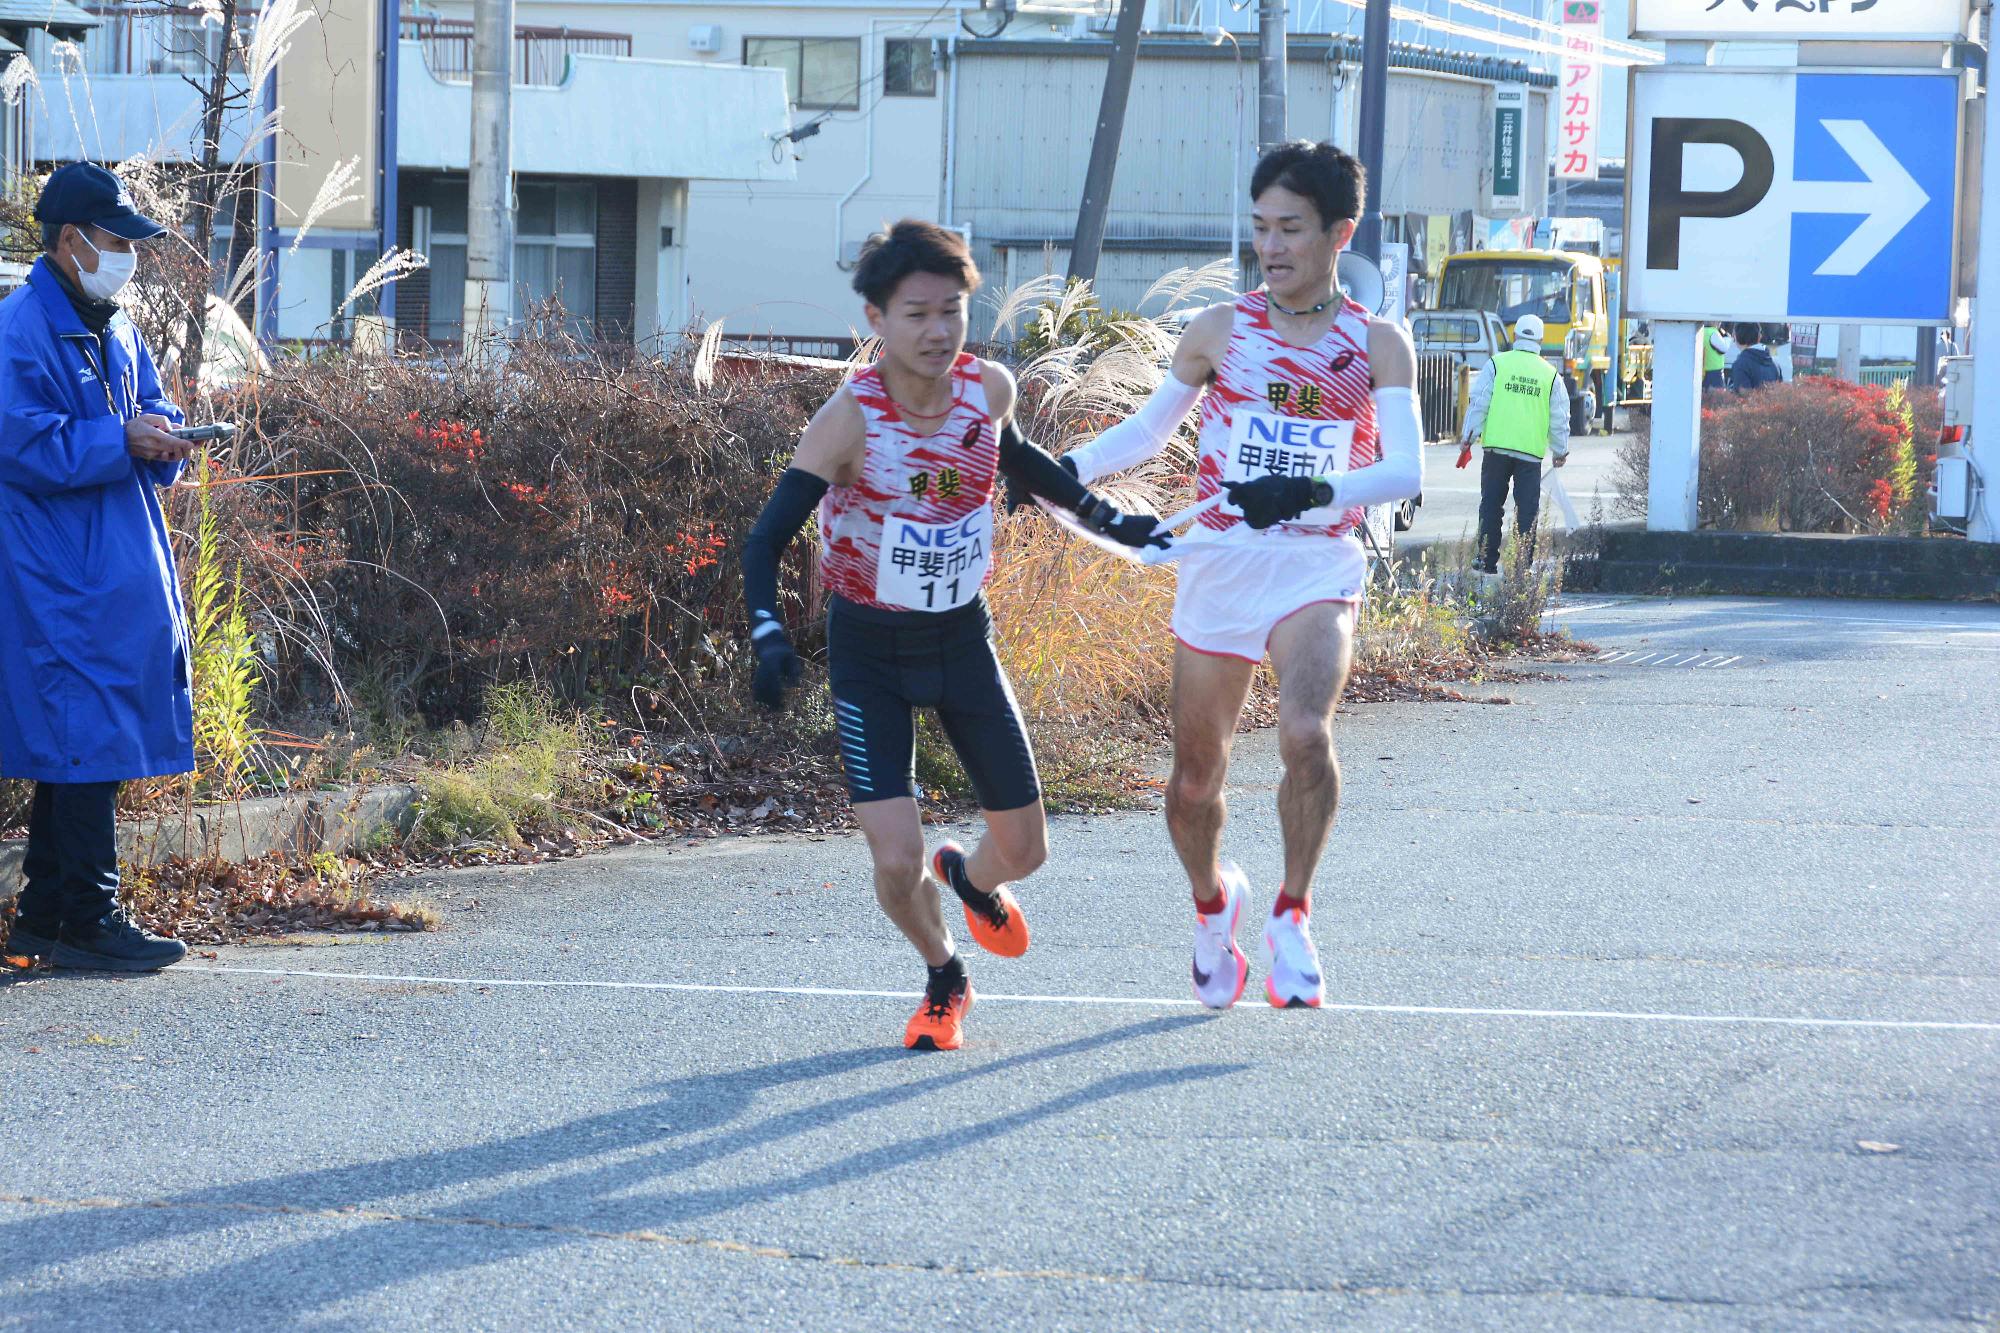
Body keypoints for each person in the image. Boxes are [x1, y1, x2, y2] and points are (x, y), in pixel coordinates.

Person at [740, 220, 1165, 1050]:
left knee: (1027, 849)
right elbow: (765, 539)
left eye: (953, 310)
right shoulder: (848, 421)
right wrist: (767, 633)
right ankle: (943, 971)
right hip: (870, 653)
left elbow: (1021, 461)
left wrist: (1111, 518)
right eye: (915, 315)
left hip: (962, 641)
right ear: (876, 320)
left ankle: (968, 877)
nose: (938, 331)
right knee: (894, 860)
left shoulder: (987, 390)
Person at [1059, 142, 1423, 1010]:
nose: (1272, 244)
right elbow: (1145, 435)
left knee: (1304, 733)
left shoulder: (1376, 344)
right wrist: (1058, 468)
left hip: (1315, 561)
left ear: (1341, 233)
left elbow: (1406, 471)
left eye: (1291, 228)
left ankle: (1293, 913)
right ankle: (1213, 904)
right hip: (1218, 562)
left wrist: (1307, 488)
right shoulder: (1220, 330)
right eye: (1260, 226)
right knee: (1192, 782)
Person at [0, 163, 195, 972]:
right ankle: (87, 915)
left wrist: (170, 434)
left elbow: (155, 409)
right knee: (83, 735)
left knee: (80, 739)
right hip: (55, 570)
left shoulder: (114, 325)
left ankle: (49, 914)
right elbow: (23, 439)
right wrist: (123, 440)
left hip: (108, 563)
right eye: (118, 241)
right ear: (71, 241)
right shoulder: (19, 327)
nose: (129, 256)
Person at [1458, 312, 1570, 576]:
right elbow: (1560, 417)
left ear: (1515, 336)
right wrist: (1560, 450)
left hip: (1496, 449)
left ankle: (1486, 560)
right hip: (1530, 454)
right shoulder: (1550, 375)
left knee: (1491, 504)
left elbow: (1479, 403)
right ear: (1541, 339)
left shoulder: (1497, 365)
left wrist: (1468, 437)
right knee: (1527, 511)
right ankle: (1521, 564)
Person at [1728, 322, 1784, 392]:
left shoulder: (1740, 364)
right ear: (1759, 337)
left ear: (1736, 336)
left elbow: (1743, 396)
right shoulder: (1775, 364)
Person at [1700, 323, 1729, 391]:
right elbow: (1724, 348)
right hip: (1715, 373)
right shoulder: (1713, 332)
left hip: (1703, 372)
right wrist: (1727, 337)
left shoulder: (1700, 331)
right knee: (1717, 399)